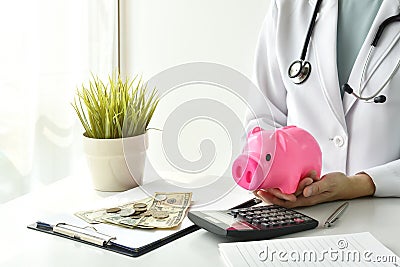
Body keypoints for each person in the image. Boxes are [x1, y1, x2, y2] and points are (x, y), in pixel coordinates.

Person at [248, 0, 400, 208]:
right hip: (296, 216)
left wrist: (365, 183)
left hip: (386, 215)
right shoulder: (289, 6)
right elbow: (263, 116)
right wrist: (270, 173)